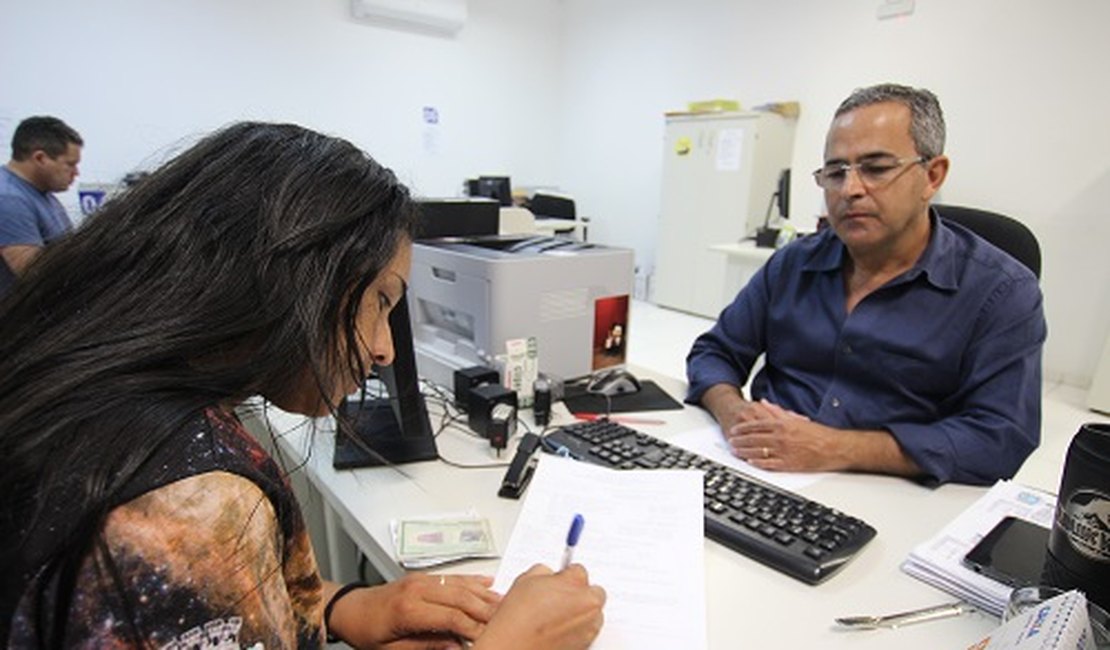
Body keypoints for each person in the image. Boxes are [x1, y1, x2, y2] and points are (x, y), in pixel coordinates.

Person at [0, 122, 605, 648]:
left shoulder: (107, 394)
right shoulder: (190, 508)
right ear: (292, 279)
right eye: (379, 302)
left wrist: (344, 606)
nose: (384, 349)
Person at [686, 83, 1046, 487]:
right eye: (835, 172)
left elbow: (1000, 438)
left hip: (891, 491)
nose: (850, 190)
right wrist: (735, 413)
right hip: (760, 471)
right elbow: (714, 352)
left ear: (932, 175)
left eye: (876, 169)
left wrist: (835, 448)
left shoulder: (1001, 292)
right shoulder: (794, 262)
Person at [0, 116, 83, 300]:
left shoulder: (44, 195)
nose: (76, 172)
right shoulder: (9, 199)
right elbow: (37, 277)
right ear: (40, 158)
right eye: (70, 164)